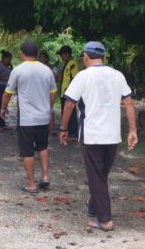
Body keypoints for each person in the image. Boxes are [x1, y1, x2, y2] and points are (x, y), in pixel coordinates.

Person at [58, 41, 138, 232]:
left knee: (96, 177)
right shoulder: (117, 75)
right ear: (103, 56)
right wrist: (133, 130)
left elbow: (69, 104)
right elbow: (128, 103)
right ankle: (94, 206)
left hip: (91, 134)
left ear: (85, 56)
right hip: (112, 135)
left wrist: (63, 128)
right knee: (100, 175)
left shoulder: (83, 76)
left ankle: (105, 220)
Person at [0, 40, 57, 193]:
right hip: (43, 118)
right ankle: (45, 176)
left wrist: (3, 108)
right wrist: (48, 107)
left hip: (26, 119)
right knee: (43, 146)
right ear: (37, 54)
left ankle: (31, 184)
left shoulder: (18, 70)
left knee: (27, 151)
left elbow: (7, 93)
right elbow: (53, 93)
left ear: (21, 53)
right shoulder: (47, 71)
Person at [56, 45, 80, 138]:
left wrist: (71, 91)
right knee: (65, 113)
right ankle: (68, 131)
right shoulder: (68, 63)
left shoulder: (72, 63)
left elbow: (74, 78)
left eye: (61, 55)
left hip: (69, 94)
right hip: (64, 93)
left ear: (66, 54)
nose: (61, 57)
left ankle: (73, 134)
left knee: (71, 114)